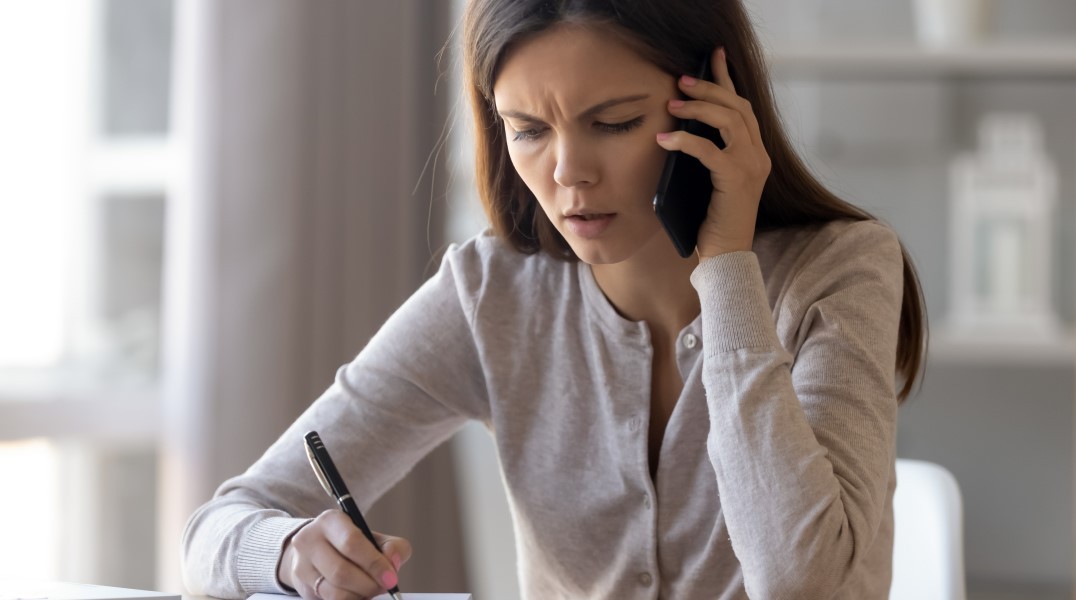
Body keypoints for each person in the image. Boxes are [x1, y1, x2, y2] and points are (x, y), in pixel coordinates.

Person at [182, 0, 927, 598]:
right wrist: (288, 554)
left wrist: (727, 268)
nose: (568, 172)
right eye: (528, 130)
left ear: (714, 107)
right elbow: (215, 531)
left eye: (614, 123)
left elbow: (808, 585)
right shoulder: (492, 295)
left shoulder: (841, 267)